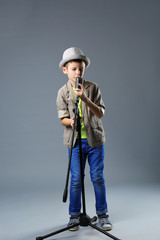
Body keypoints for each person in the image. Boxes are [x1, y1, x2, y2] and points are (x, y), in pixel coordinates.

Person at [56, 47, 112, 231]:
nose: (78, 72)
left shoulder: (93, 87)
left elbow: (100, 113)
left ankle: (103, 216)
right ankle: (74, 217)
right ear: (65, 69)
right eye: (74, 69)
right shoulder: (63, 92)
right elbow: (62, 118)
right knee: (76, 180)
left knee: (97, 177)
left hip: (94, 142)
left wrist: (86, 99)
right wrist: (71, 121)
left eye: (81, 68)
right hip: (75, 143)